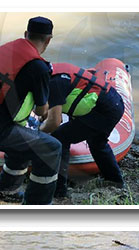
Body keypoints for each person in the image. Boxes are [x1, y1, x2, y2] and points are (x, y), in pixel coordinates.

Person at [0, 16, 61, 205]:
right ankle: (37, 204)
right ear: (48, 40)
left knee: (22, 144)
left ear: (26, 34)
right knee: (52, 148)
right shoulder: (39, 68)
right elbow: (41, 110)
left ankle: (6, 192)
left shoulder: (7, 50)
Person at [39, 62, 125, 198]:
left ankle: (59, 191)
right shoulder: (55, 74)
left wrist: (37, 134)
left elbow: (55, 122)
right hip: (112, 101)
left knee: (60, 138)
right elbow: (50, 109)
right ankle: (114, 180)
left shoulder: (54, 84)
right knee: (97, 143)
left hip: (105, 110)